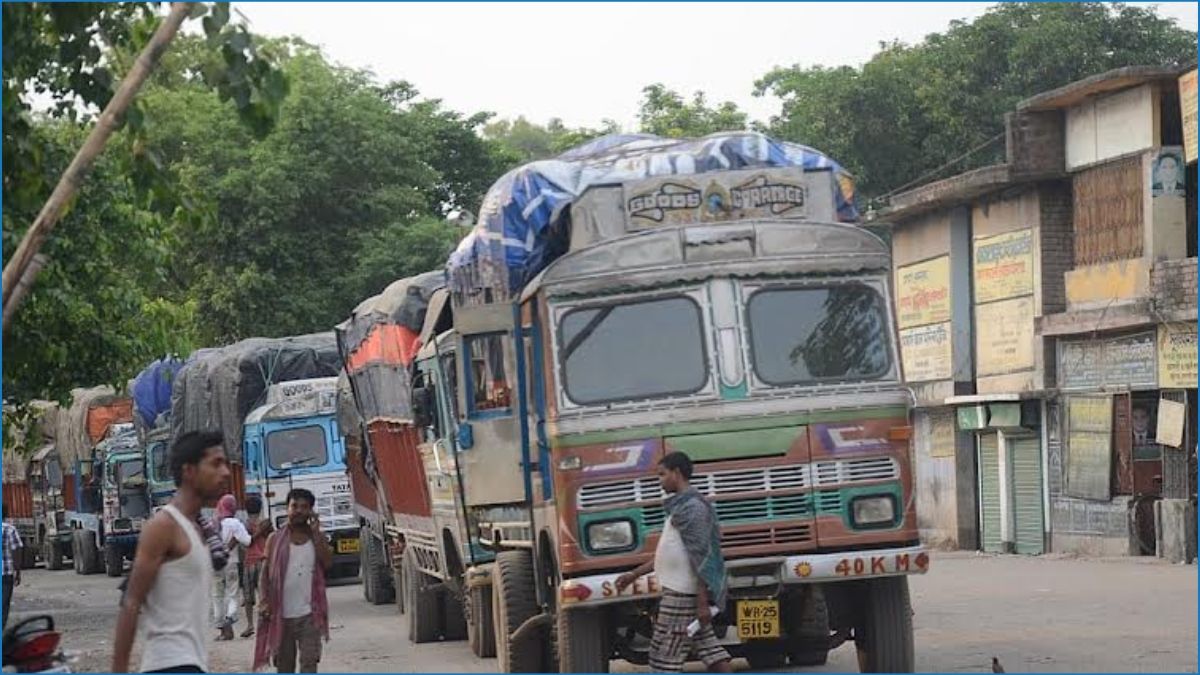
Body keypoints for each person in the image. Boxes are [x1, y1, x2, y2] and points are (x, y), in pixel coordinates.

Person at [111, 431, 231, 674]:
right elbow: (131, 601)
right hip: (169, 664)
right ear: (189, 471)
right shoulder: (164, 526)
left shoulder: (199, 528)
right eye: (216, 464)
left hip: (192, 663)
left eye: (225, 464)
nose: (226, 472)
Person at [616, 452, 732, 673]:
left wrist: (701, 601)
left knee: (664, 655)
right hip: (681, 590)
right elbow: (669, 553)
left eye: (662, 474)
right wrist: (634, 574)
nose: (659, 481)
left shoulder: (693, 509)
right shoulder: (680, 508)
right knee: (710, 650)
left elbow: (701, 558)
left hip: (683, 593)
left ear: (676, 473)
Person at [253, 489, 332, 673]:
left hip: (310, 615)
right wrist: (264, 602)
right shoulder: (275, 539)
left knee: (309, 663)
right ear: (287, 509)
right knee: (284, 666)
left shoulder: (316, 538)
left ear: (311, 511)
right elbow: (264, 575)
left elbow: (327, 563)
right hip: (281, 615)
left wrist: (316, 532)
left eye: (304, 507)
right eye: (294, 506)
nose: (298, 511)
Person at [213, 494, 251, 641]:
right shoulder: (235, 523)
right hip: (231, 563)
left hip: (214, 565)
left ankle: (222, 629)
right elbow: (247, 541)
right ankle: (230, 617)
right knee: (232, 593)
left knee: (217, 596)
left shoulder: (213, 523)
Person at [241, 494, 273, 638]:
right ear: (260, 508)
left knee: (248, 598)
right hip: (262, 561)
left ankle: (250, 625)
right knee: (263, 594)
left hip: (249, 562)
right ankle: (266, 623)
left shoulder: (244, 525)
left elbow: (244, 544)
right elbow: (272, 538)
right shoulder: (266, 523)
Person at [2, 505, 24, 628]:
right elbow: (17, 549)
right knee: (3, 605)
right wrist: (18, 571)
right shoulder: (10, 529)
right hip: (5, 574)